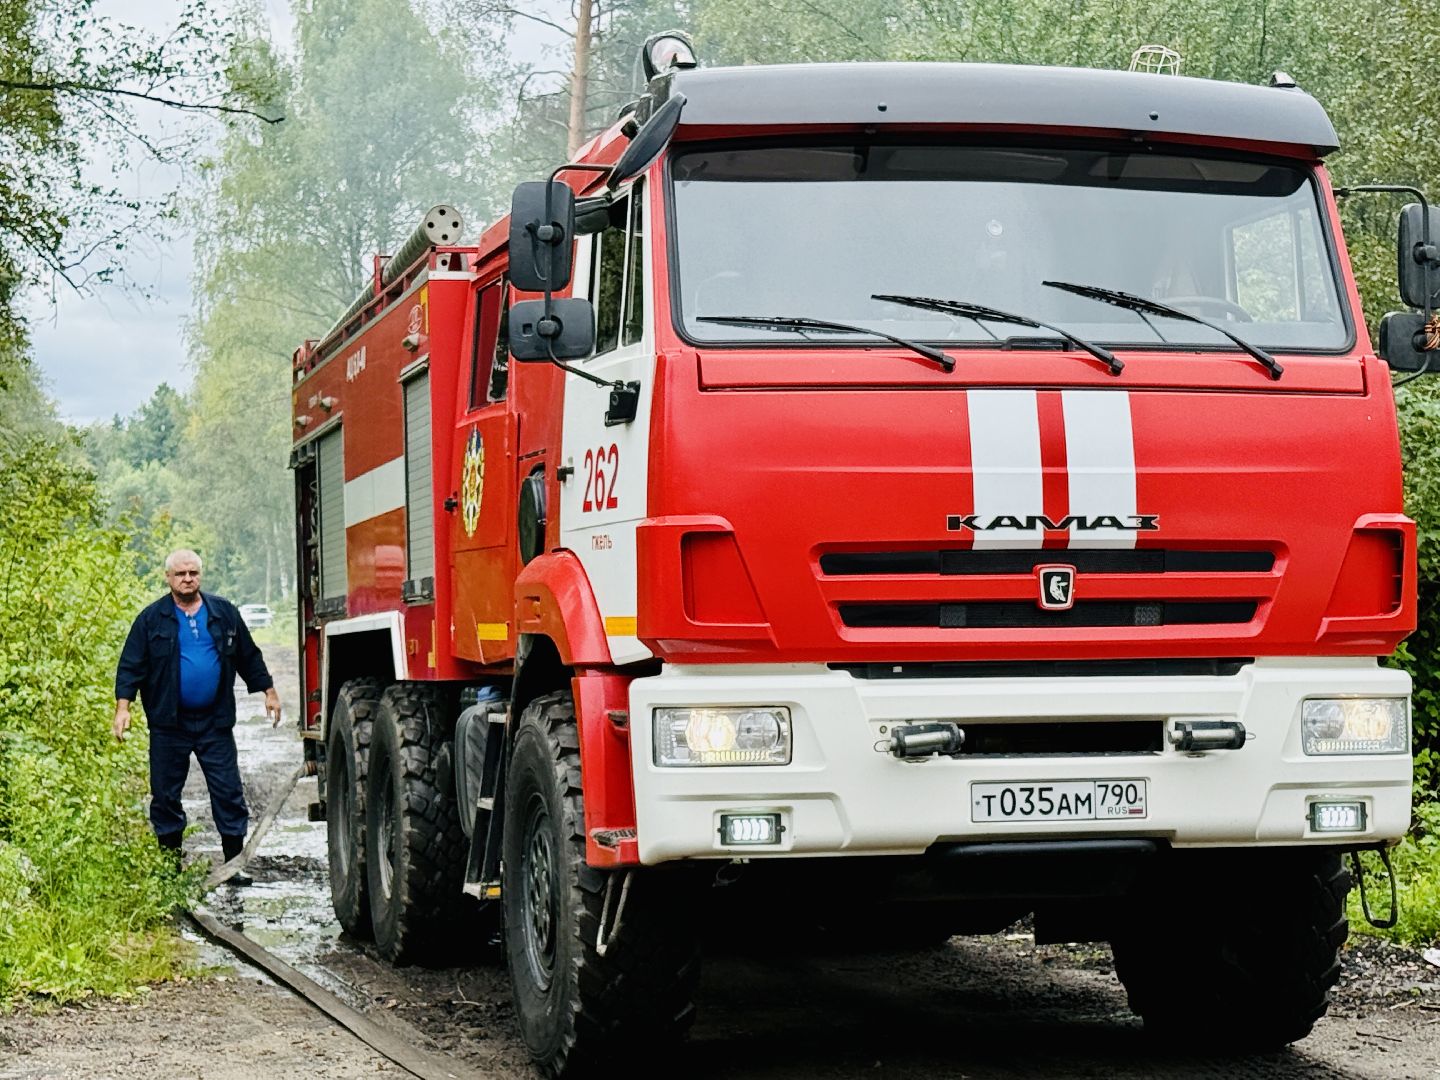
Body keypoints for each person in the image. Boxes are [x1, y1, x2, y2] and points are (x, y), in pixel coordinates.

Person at [113, 549, 281, 886]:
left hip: (214, 723)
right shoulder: (151, 619)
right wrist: (123, 707)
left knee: (228, 791)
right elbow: (131, 665)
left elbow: (249, 656)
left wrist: (269, 691)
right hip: (168, 724)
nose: (187, 579)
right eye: (180, 574)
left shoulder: (223, 613)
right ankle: (169, 869)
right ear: (168, 578)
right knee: (165, 795)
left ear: (200, 576)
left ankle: (233, 864)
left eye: (193, 573)